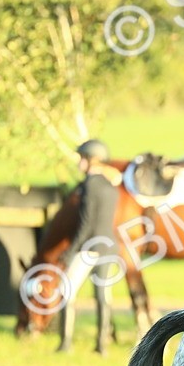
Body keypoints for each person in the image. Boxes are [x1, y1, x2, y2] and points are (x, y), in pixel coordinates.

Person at [60, 139, 122, 353]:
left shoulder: (89, 185)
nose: (78, 162)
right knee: (103, 297)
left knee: (66, 290)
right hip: (109, 247)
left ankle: (65, 343)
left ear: (90, 159)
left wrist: (69, 252)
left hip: (89, 248)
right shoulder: (111, 186)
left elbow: (86, 223)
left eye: (81, 158)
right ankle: (101, 346)